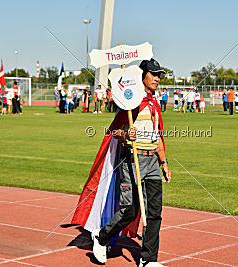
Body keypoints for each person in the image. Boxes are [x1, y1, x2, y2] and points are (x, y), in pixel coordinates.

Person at [73, 58, 171, 267]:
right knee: (130, 210)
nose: (157, 78)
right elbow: (115, 132)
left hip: (152, 160)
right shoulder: (130, 101)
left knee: (154, 213)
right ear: (142, 75)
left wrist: (164, 162)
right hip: (131, 160)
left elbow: (158, 135)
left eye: (159, 75)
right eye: (153, 74)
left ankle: (148, 259)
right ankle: (101, 237)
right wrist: (127, 134)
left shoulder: (154, 102)